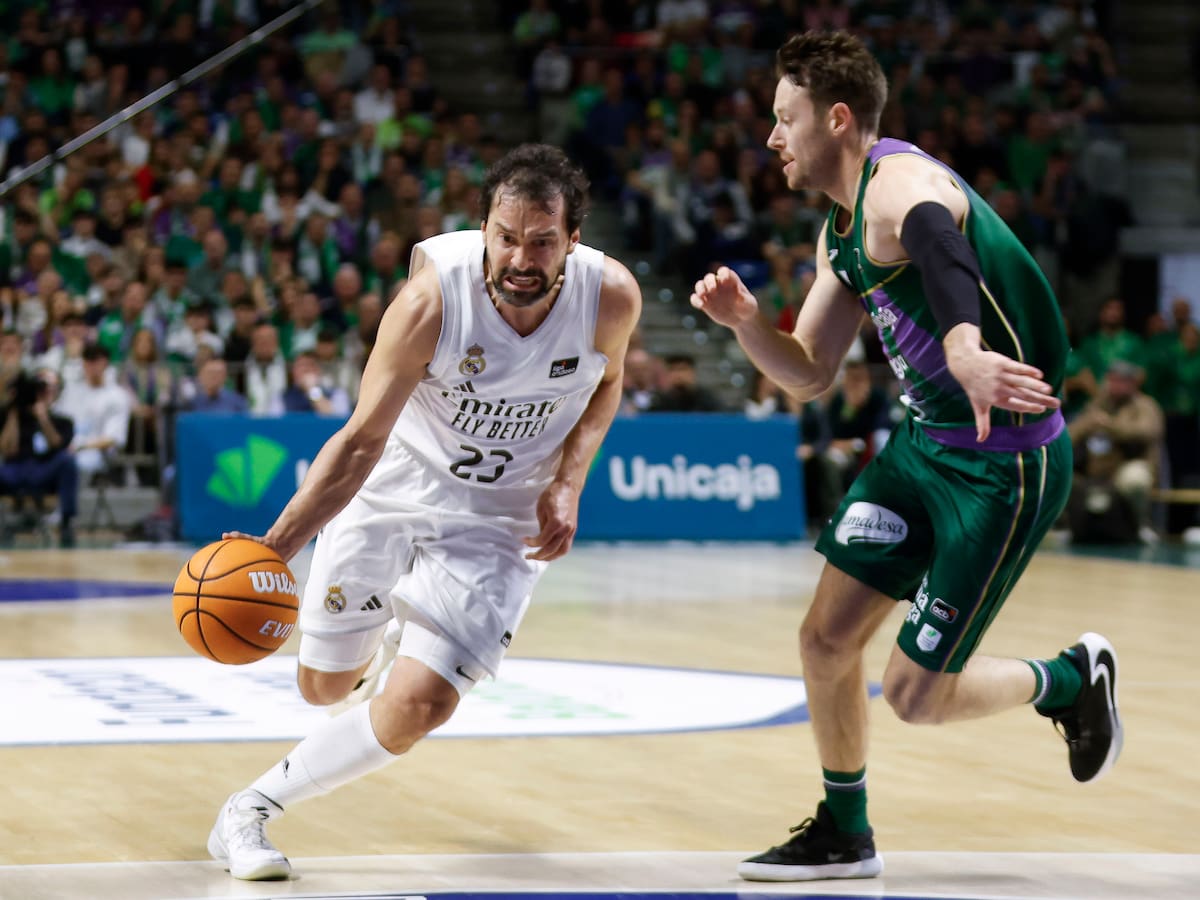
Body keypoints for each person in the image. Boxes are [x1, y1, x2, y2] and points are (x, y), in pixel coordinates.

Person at [690, 31, 1122, 883]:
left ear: (837, 118)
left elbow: (941, 245)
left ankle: (1069, 680)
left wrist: (962, 342)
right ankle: (844, 831)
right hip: (924, 449)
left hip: (1006, 466)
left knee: (918, 697)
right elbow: (810, 374)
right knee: (824, 641)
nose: (772, 137)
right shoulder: (839, 232)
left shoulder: (900, 185)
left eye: (786, 119)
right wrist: (746, 325)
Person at [207, 143, 642, 881]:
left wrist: (568, 482)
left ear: (573, 239)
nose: (520, 257)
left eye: (541, 241)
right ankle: (383, 633)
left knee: (418, 705)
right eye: (505, 237)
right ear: (483, 231)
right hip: (393, 487)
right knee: (323, 689)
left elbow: (607, 387)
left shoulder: (612, 298)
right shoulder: (430, 303)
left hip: (499, 521)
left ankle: (247, 811)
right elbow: (357, 442)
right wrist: (273, 547)